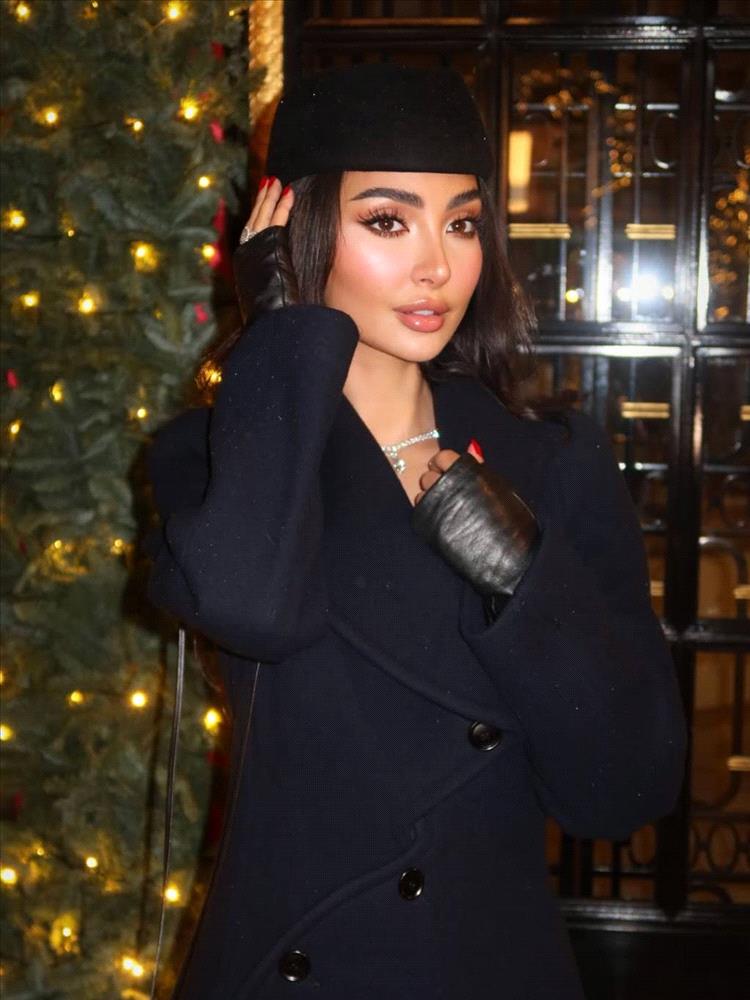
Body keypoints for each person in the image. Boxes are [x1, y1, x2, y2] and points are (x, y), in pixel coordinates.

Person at [145, 63, 687, 999]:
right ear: (300, 235)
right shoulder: (213, 458)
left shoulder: (550, 464)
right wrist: (282, 336)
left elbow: (624, 792)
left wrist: (526, 582)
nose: (438, 264)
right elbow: (252, 609)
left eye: (463, 224)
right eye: (389, 222)